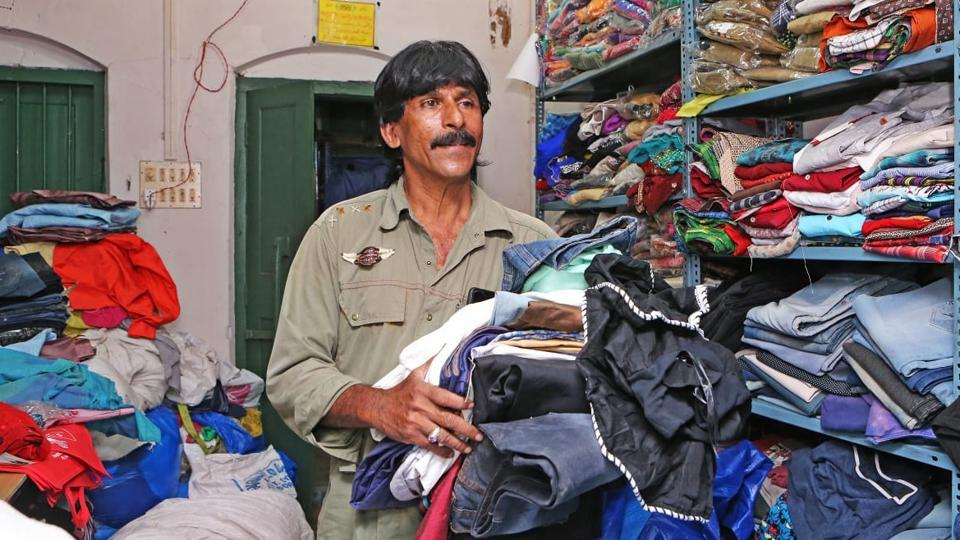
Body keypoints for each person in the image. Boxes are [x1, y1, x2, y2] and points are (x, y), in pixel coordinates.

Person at [266, 40, 557, 539]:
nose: (455, 120)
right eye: (431, 103)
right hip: (367, 518)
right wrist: (380, 406)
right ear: (391, 131)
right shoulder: (338, 233)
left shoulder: (534, 247)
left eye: (467, 102)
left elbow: (564, 375)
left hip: (495, 511)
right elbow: (292, 374)